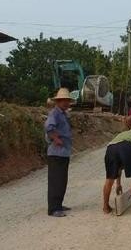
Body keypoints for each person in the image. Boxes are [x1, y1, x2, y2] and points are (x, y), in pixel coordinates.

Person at [44, 88, 74, 217]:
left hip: (63, 152)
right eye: (63, 101)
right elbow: (48, 127)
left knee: (62, 180)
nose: (66, 103)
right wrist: (56, 138)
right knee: (56, 180)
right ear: (58, 101)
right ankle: (53, 208)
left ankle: (58, 204)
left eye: (67, 101)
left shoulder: (63, 114)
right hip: (56, 153)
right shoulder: (54, 114)